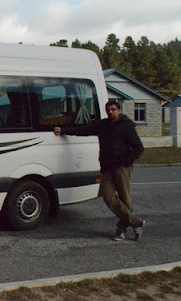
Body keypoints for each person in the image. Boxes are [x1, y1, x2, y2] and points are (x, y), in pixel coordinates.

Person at [54, 100, 145, 241]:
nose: (110, 112)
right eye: (108, 110)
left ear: (119, 111)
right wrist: (63, 131)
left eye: (113, 109)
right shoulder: (103, 125)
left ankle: (121, 230)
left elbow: (139, 148)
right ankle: (136, 223)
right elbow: (83, 130)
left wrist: (126, 162)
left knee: (125, 199)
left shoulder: (126, 126)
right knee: (108, 197)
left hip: (122, 168)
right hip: (107, 168)